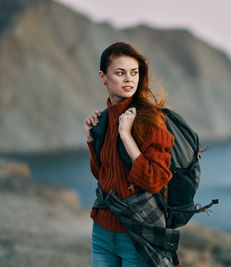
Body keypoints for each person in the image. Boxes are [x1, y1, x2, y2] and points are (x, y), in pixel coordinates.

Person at [84, 42, 176, 267]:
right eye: (120, 72)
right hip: (102, 232)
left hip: (137, 232)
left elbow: (154, 180)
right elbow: (102, 175)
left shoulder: (150, 120)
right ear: (103, 77)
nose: (129, 79)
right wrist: (90, 139)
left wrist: (126, 136)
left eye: (134, 73)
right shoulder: (104, 119)